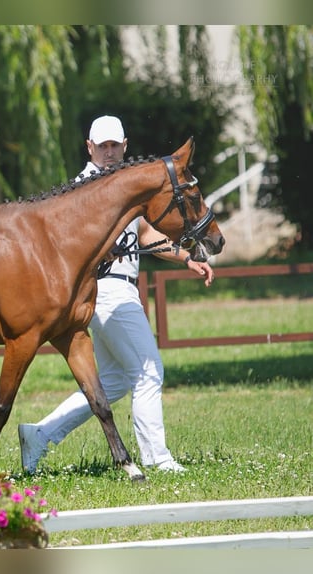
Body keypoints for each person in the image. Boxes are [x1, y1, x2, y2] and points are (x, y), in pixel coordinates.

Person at [18, 115, 215, 474]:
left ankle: (40, 434)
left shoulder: (127, 186)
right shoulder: (80, 191)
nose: (109, 153)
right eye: (102, 146)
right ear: (90, 148)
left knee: (114, 381)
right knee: (148, 370)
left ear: (125, 146)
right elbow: (60, 241)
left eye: (115, 146)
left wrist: (185, 257)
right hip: (106, 289)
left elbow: (145, 235)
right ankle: (157, 457)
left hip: (119, 289)